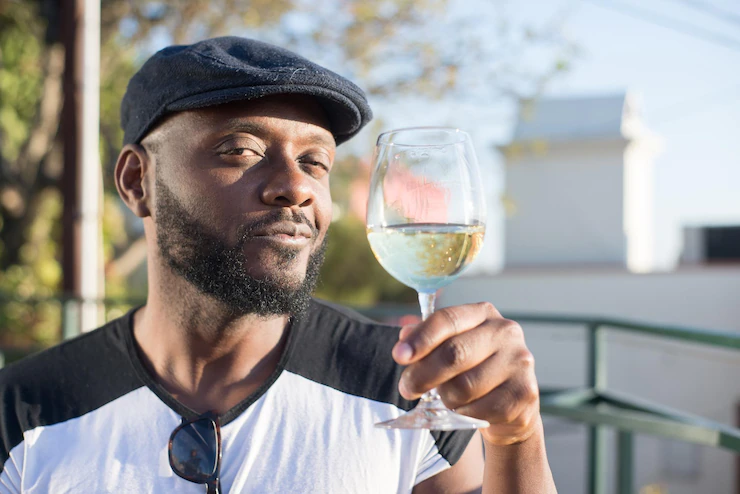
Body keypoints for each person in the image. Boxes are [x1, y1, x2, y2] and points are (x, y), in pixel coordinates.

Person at [0, 37, 556, 493]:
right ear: (136, 181)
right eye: (240, 150)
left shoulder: (399, 385)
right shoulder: (23, 413)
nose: (296, 187)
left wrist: (517, 437)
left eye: (315, 162)